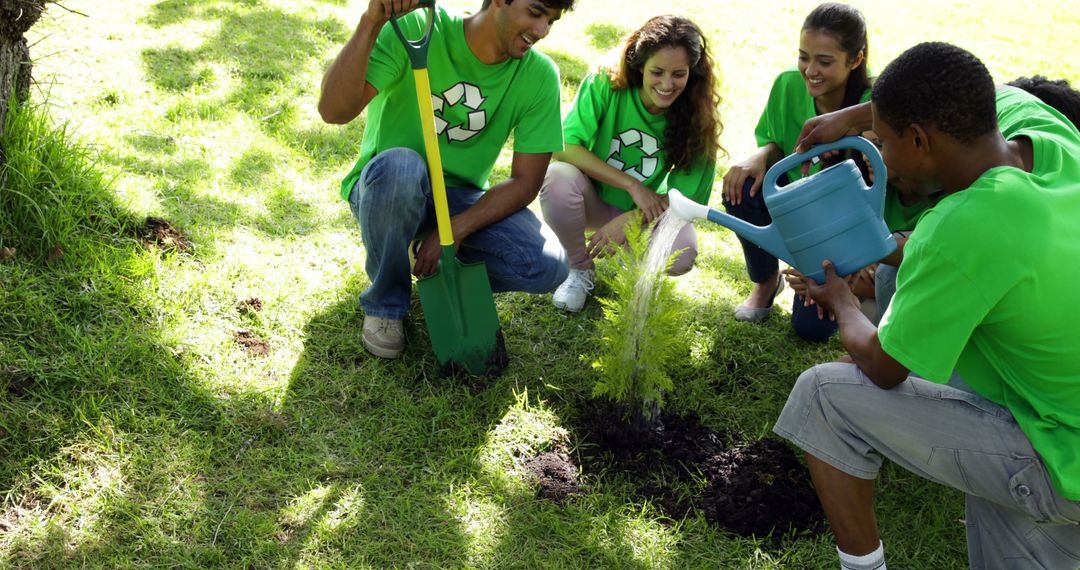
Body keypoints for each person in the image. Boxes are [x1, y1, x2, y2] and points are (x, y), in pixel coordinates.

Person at [775, 42, 1080, 569]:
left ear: (919, 139)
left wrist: (842, 300)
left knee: (822, 396)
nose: (883, 157)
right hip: (1058, 408)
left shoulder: (961, 225)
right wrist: (854, 116)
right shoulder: (1052, 140)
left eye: (884, 142)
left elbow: (885, 367)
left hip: (1057, 454)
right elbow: (995, 89)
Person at [318, 0, 574, 359]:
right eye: (535, 12)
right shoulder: (418, 29)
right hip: (388, 187)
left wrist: (454, 229)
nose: (543, 30)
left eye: (551, 20)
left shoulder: (538, 75)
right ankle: (386, 303)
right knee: (403, 168)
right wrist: (371, 22)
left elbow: (524, 183)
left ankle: (417, 257)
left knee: (548, 265)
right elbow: (333, 111)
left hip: (456, 197)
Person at [722, 3, 927, 340]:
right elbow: (781, 144)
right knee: (742, 186)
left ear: (856, 60)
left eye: (825, 61)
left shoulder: (876, 105)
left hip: (843, 229)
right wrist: (760, 155)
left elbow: (885, 191)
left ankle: (851, 288)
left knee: (811, 329)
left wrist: (835, 264)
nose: (810, 70)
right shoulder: (788, 85)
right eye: (804, 57)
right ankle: (764, 284)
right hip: (795, 203)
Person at [537, 15, 723, 312]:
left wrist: (632, 220)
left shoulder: (699, 116)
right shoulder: (605, 83)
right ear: (640, 65)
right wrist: (631, 185)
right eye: (657, 72)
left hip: (645, 213)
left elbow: (685, 199)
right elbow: (563, 147)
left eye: (679, 74)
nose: (667, 84)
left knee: (684, 251)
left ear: (693, 72)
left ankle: (634, 270)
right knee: (557, 179)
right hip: (591, 200)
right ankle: (580, 267)